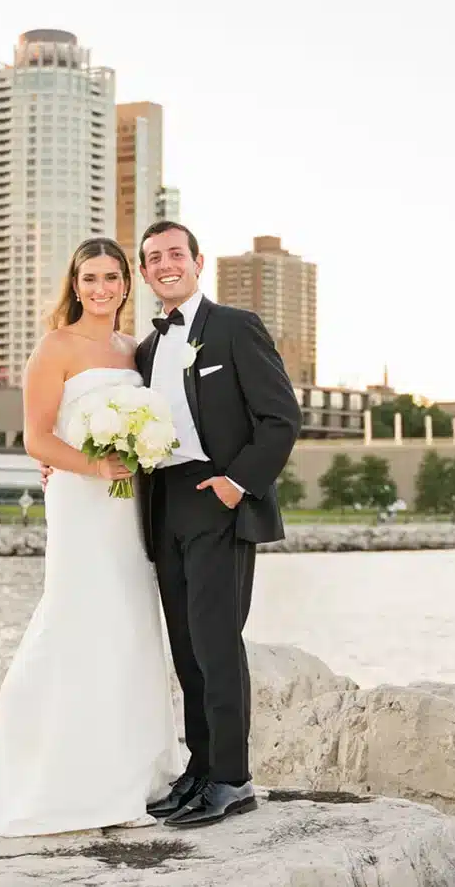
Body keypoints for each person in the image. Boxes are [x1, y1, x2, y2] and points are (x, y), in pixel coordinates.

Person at [0, 238, 181, 836]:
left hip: (126, 505)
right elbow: (36, 439)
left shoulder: (132, 349)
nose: (101, 287)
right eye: (90, 278)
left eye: (112, 276)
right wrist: (95, 466)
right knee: (79, 614)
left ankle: (130, 770)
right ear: (75, 284)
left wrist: (136, 452)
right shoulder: (54, 346)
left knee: (131, 620)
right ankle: (57, 778)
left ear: (126, 284)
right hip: (83, 503)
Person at [134, 221, 300, 828]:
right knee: (186, 651)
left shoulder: (234, 328)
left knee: (217, 645)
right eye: (153, 258)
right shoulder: (147, 350)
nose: (165, 264)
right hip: (165, 502)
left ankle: (233, 779)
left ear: (197, 262)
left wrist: (236, 483)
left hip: (219, 496)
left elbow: (281, 417)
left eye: (175, 253)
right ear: (147, 273)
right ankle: (200, 771)